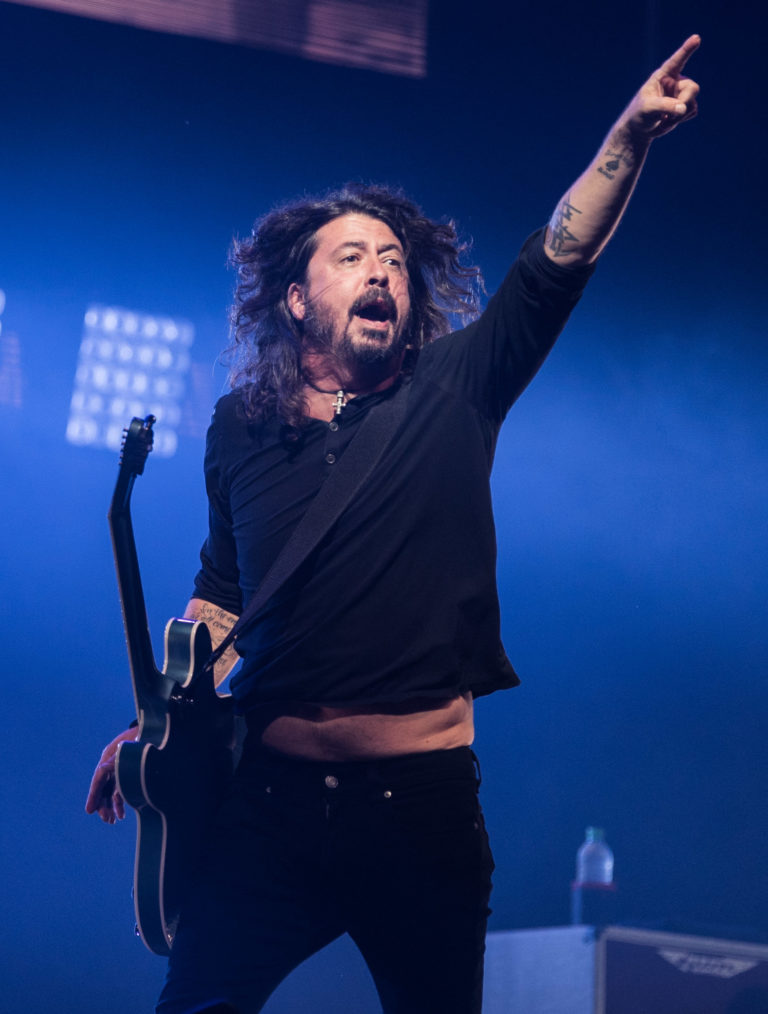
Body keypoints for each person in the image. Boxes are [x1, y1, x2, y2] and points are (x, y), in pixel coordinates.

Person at [87, 36, 700, 1014]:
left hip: (418, 809)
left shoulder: (456, 384)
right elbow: (224, 598)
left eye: (394, 260)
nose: (380, 269)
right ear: (297, 298)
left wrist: (628, 137)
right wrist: (154, 725)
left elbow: (557, 259)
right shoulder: (240, 426)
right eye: (351, 256)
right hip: (270, 806)